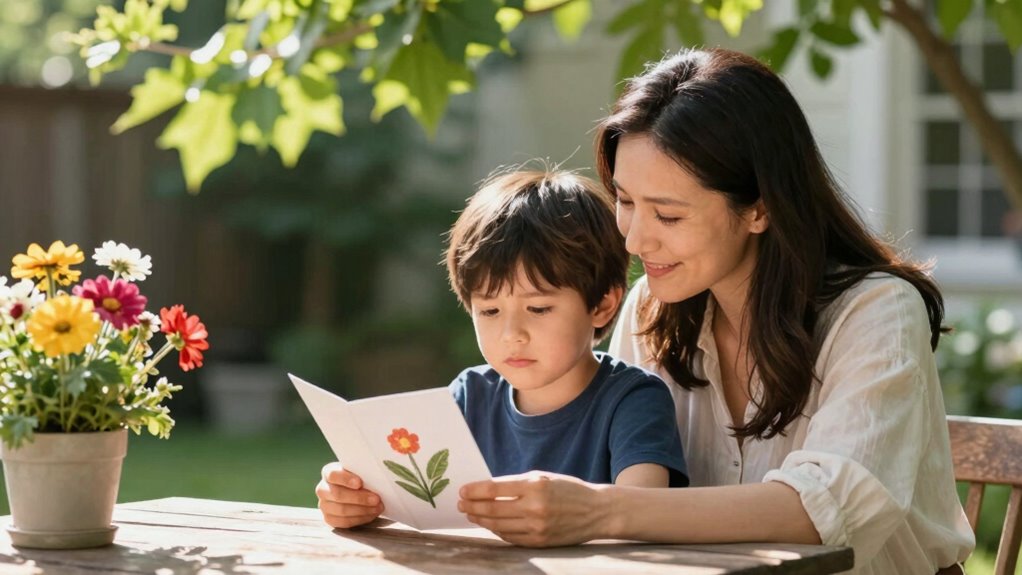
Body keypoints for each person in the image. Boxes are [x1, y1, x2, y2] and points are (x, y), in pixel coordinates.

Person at [454, 49, 975, 575]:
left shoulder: (875, 311)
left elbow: (824, 511)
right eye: (626, 201)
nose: (633, 240)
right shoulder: (650, 312)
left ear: (759, 208)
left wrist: (599, 511)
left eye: (668, 213)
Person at [316, 169, 688, 529]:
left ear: (602, 305)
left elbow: (642, 514)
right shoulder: (469, 395)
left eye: (538, 308)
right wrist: (358, 502)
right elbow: (419, 506)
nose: (512, 334)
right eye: (490, 310)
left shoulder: (634, 400)